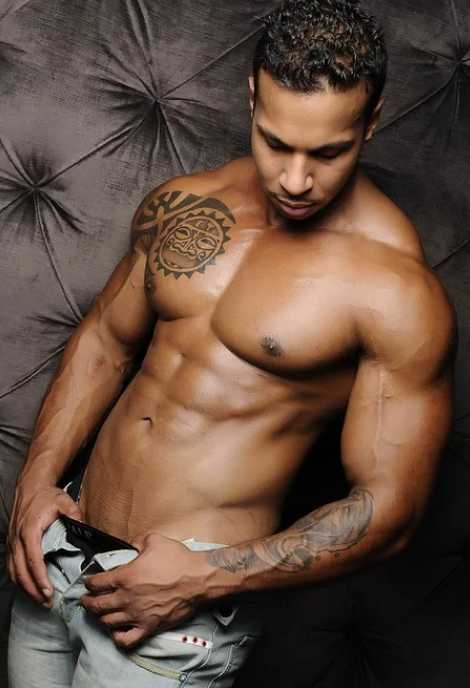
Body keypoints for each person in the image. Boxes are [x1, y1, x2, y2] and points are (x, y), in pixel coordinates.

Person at [7, 1, 454, 686]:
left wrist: (205, 577)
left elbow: (391, 510)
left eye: (328, 152)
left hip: (171, 613)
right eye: (276, 143)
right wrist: (37, 483)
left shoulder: (395, 290)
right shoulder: (184, 204)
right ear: (251, 97)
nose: (297, 179)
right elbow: (103, 341)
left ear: (371, 121)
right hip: (59, 559)